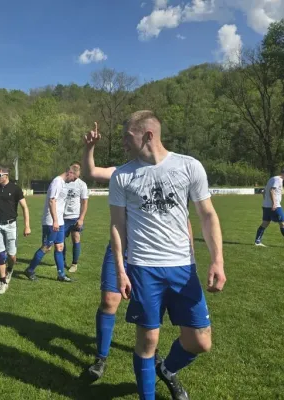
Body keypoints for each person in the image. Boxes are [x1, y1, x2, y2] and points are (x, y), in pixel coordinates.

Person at [109, 111, 225, 400]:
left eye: (128, 136)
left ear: (148, 135)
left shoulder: (189, 166)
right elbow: (117, 226)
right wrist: (121, 270)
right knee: (148, 340)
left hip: (183, 268)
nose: (124, 142)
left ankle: (168, 369)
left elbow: (207, 215)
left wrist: (217, 260)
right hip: (143, 268)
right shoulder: (122, 176)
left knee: (200, 341)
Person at [25, 165, 79, 282]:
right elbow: (52, 201)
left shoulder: (63, 183)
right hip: (51, 221)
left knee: (60, 247)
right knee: (47, 247)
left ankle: (61, 275)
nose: (74, 180)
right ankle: (30, 270)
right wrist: (55, 220)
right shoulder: (57, 182)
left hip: (60, 221)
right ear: (70, 172)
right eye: (74, 178)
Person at [0, 166, 31, 294]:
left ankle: (10, 269)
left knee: (11, 255)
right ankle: (3, 281)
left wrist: (27, 226)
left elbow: (24, 207)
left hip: (11, 225)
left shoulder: (15, 189)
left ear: (6, 175)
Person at [62, 161, 89, 273]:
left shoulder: (82, 184)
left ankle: (74, 264)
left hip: (75, 217)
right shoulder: (63, 182)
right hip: (62, 216)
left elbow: (84, 203)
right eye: (74, 168)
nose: (75, 170)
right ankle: (61, 262)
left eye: (77, 169)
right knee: (60, 241)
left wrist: (81, 218)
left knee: (76, 238)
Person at [254, 170, 284, 246]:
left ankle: (257, 242)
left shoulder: (272, 178)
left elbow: (264, 191)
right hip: (275, 206)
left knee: (265, 223)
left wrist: (265, 200)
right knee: (282, 223)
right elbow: (271, 190)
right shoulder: (278, 180)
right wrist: (274, 203)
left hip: (266, 206)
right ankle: (257, 242)